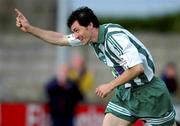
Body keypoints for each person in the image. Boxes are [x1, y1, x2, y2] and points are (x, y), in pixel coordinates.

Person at [15, 7, 177, 126]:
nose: (75, 35)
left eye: (77, 30)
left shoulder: (115, 38)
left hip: (150, 94)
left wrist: (110, 85)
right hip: (127, 93)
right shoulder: (90, 37)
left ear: (90, 25)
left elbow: (137, 68)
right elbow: (61, 39)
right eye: (74, 31)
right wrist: (30, 29)